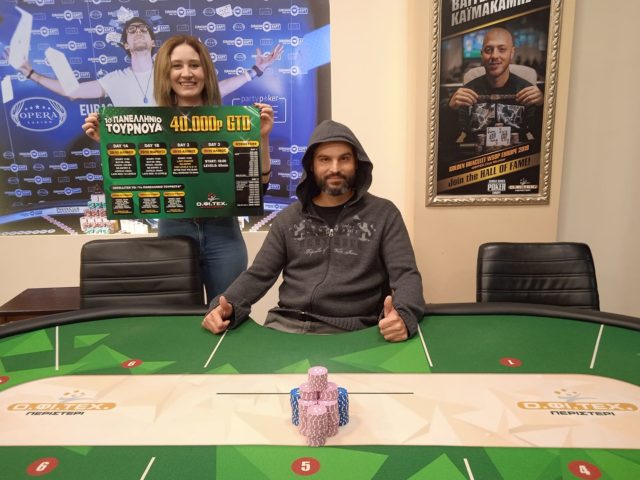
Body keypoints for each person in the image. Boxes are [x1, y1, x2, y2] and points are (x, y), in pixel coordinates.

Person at [82, 34, 275, 299]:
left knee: (228, 314)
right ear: (166, 73)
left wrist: (262, 138)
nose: (186, 73)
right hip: (173, 230)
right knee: (178, 315)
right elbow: (135, 185)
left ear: (206, 72)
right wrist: (109, 143)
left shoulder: (233, 124)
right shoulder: (146, 126)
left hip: (224, 235)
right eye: (177, 66)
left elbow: (257, 188)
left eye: (194, 65)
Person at [202, 120, 425, 342]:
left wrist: (404, 315)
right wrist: (227, 305)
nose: (335, 168)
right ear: (312, 165)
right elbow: (259, 274)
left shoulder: (384, 214)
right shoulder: (289, 218)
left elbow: (405, 274)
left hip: (352, 331)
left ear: (357, 163)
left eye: (344, 159)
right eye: (325, 159)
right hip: (286, 326)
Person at [17, 16, 283, 106]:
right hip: (136, 161)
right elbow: (73, 91)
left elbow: (216, 89)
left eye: (143, 29)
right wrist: (31, 73)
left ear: (153, 41)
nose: (138, 32)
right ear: (125, 44)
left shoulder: (173, 73)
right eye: (132, 31)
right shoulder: (114, 79)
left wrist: (256, 70)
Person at [448, 27, 543, 140]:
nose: (494, 56)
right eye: (488, 50)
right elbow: (450, 139)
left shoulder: (526, 91)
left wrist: (542, 106)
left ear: (512, 53)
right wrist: (451, 110)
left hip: (519, 151)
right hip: (476, 150)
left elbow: (541, 137)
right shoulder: (467, 92)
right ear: (482, 54)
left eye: (502, 49)